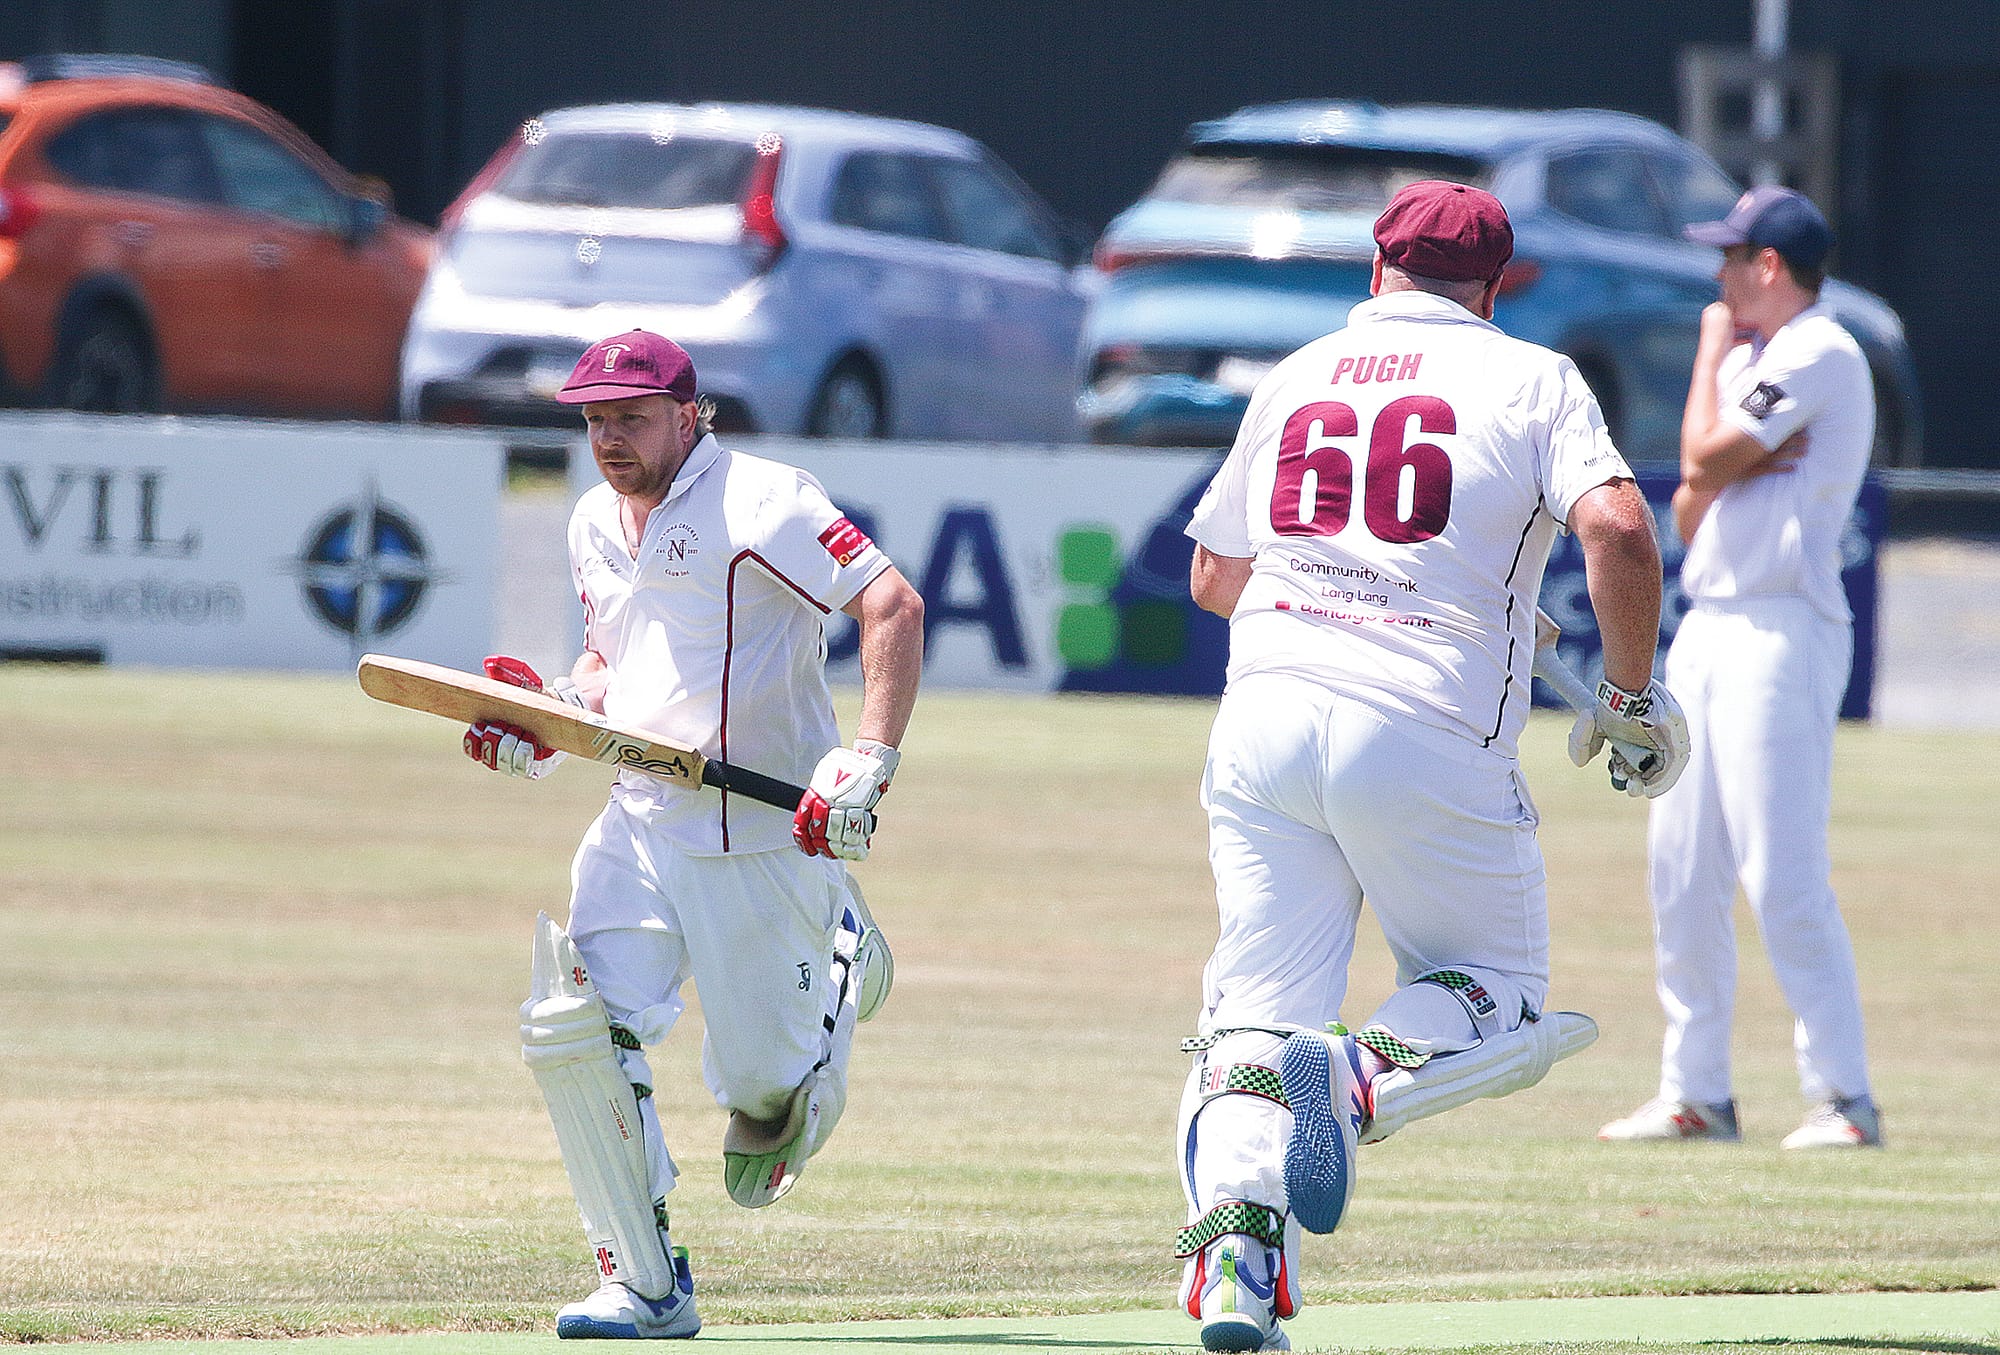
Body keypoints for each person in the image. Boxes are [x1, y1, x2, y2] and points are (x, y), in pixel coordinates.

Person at [1173, 180, 1686, 1354]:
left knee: (1249, 1016)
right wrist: (1623, 694)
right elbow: (1615, 527)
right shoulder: (1532, 377)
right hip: (1420, 723)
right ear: (1494, 289)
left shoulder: (1296, 372)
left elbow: (1213, 576)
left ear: (1375, 270)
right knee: (1497, 989)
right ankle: (1360, 1074)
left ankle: (1233, 1273)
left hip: (1262, 713)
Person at [462, 329, 925, 1338]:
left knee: (761, 1098)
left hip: (762, 830)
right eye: (594, 421)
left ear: (687, 414)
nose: (609, 439)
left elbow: (892, 605)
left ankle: (842, 959)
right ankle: (644, 1281)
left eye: (630, 419)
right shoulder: (592, 519)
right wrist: (546, 722)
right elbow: (610, 666)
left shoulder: (764, 500)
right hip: (639, 818)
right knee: (572, 1024)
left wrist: (869, 757)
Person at [1599, 186, 1881, 1151]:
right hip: (1711, 624)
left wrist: (1714, 365)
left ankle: (1844, 1096)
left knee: (1780, 871)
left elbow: (1703, 455)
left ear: (1769, 265)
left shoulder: (1818, 348)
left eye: (1731, 257)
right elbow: (1690, 499)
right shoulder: (1759, 360)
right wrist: (1721, 462)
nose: (1717, 275)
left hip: (1783, 623)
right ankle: (1696, 1092)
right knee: (1680, 868)